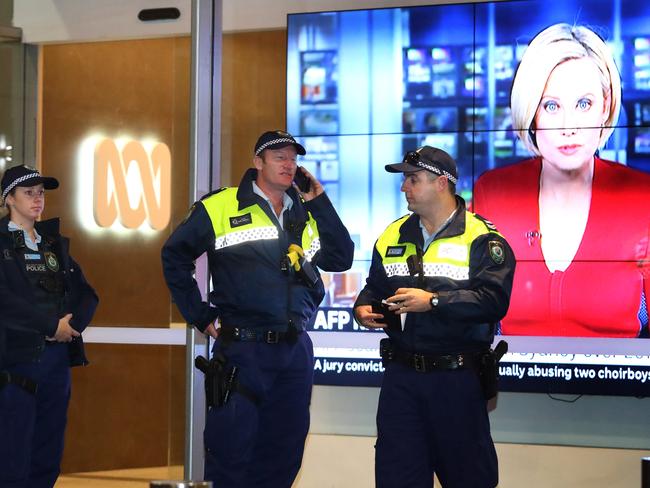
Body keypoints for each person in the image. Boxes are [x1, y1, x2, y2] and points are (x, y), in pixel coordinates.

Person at [161, 130, 354, 487]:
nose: (288, 164)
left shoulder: (304, 213)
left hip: (294, 351)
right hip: (243, 350)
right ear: (258, 162)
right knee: (231, 456)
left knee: (283, 455)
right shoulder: (221, 206)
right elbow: (174, 256)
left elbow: (341, 257)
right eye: (278, 156)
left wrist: (320, 202)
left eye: (293, 158)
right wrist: (200, 315)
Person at [473, 23, 650, 337]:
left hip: (618, 384)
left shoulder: (641, 197)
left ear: (605, 106)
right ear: (532, 113)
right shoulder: (493, 194)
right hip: (513, 383)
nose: (569, 126)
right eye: (551, 106)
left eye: (584, 104)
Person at [354, 146, 515, 488]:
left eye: (412, 179)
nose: (404, 188)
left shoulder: (483, 237)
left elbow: (493, 300)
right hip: (401, 381)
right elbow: (374, 287)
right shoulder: (392, 234)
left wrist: (436, 302)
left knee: (468, 478)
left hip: (456, 381)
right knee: (397, 477)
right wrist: (362, 307)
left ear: (442, 183)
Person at [0, 165, 99, 487]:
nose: (38, 199)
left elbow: (87, 294)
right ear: (9, 199)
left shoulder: (54, 243)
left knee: (48, 453)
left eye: (41, 193)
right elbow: (5, 301)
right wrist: (48, 325)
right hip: (16, 361)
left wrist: (70, 327)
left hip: (57, 361)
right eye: (29, 193)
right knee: (13, 455)